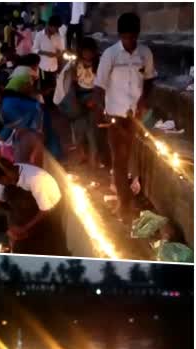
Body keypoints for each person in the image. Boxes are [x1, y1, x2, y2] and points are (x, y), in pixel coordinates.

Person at [93, 12, 156, 222]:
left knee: (128, 156)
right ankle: (124, 202)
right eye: (125, 37)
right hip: (115, 116)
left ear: (137, 35)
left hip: (134, 115)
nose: (129, 41)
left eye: (133, 37)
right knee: (119, 160)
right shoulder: (110, 55)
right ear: (120, 35)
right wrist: (102, 111)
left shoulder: (145, 53)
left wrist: (143, 102)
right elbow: (99, 87)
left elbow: (149, 80)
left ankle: (127, 195)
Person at [0, 158, 67, 255]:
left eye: (0, 181)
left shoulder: (35, 179)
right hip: (32, 202)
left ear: (6, 175)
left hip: (52, 209)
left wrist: (24, 228)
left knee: (34, 243)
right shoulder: (10, 173)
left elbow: (46, 209)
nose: (0, 184)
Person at [55, 37, 100, 170]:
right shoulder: (75, 64)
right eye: (85, 51)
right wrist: (74, 99)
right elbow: (72, 82)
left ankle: (94, 157)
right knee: (78, 128)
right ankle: (82, 154)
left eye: (90, 51)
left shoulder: (99, 64)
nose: (87, 54)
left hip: (94, 97)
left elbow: (103, 84)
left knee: (92, 130)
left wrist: (95, 99)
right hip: (78, 98)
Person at [33, 14, 65, 104]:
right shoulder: (39, 35)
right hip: (43, 67)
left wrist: (59, 53)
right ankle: (46, 102)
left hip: (54, 66)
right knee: (44, 86)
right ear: (50, 25)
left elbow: (61, 50)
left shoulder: (58, 37)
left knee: (53, 85)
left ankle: (52, 102)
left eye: (57, 28)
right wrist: (45, 53)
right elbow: (34, 49)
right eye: (55, 28)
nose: (56, 30)